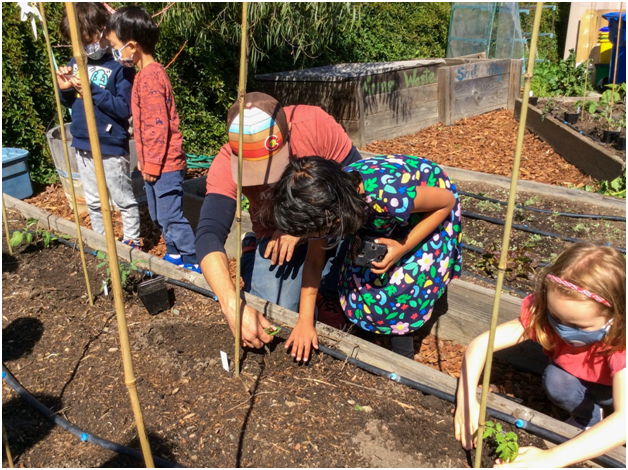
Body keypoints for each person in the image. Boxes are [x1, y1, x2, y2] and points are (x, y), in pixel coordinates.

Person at [195, 92, 363, 348]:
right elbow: (208, 234)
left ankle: (327, 289)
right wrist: (231, 305)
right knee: (278, 315)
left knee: (354, 254)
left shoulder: (315, 125)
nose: (265, 179)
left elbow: (355, 187)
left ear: (290, 132)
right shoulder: (224, 163)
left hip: (324, 224)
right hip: (273, 235)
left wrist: (299, 230)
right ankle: (252, 252)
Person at [269, 154, 463, 361]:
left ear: (335, 216)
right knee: (359, 277)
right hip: (386, 211)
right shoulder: (323, 200)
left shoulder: (387, 194)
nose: (313, 238)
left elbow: (446, 202)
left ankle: (403, 360)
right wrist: (305, 322)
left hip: (430, 213)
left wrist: (401, 247)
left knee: (401, 290)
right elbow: (314, 262)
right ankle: (367, 340)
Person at [454, 243, 626, 468]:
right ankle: (589, 418)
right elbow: (481, 343)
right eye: (556, 316)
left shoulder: (622, 340)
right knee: (557, 381)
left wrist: (552, 457)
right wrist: (466, 402)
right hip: (583, 379)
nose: (563, 329)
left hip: (619, 387)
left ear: (616, 315)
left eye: (577, 326)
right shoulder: (545, 312)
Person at [106, 6, 200, 272]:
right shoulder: (143, 75)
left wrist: (151, 165)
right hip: (155, 165)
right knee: (159, 214)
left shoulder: (151, 78)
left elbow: (157, 129)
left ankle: (194, 259)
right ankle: (173, 252)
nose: (116, 53)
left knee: (170, 215)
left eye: (116, 46)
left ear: (132, 46)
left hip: (165, 165)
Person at [58, 2, 141, 248]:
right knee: (93, 200)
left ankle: (132, 242)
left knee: (122, 198)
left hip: (110, 144)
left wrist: (92, 90)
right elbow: (72, 102)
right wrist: (65, 91)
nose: (87, 47)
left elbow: (123, 109)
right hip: (83, 142)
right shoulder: (76, 61)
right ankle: (100, 242)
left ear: (104, 30)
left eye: (89, 40)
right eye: (81, 43)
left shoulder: (120, 67)